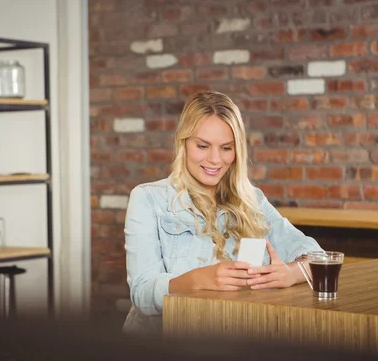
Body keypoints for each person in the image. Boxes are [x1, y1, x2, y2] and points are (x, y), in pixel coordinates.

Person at [122, 91, 323, 336]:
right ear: (183, 143)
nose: (215, 159)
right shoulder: (149, 199)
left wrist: (290, 274)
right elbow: (142, 294)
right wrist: (199, 280)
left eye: (226, 148)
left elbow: (319, 259)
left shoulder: (252, 200)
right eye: (203, 146)